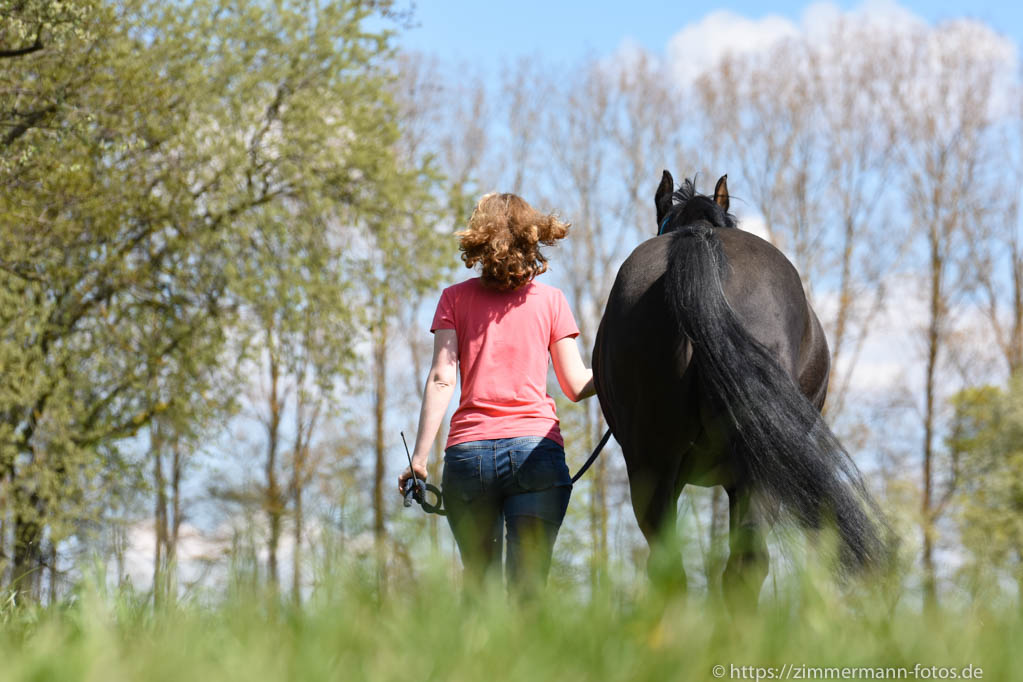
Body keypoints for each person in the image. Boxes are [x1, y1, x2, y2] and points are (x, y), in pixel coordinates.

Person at [398, 192, 596, 593]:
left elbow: (441, 377)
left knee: (481, 590)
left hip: (469, 460)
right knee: (528, 591)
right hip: (536, 452)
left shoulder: (453, 298)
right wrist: (620, 371)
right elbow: (576, 386)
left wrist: (419, 458)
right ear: (532, 236)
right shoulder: (552, 301)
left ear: (479, 238)